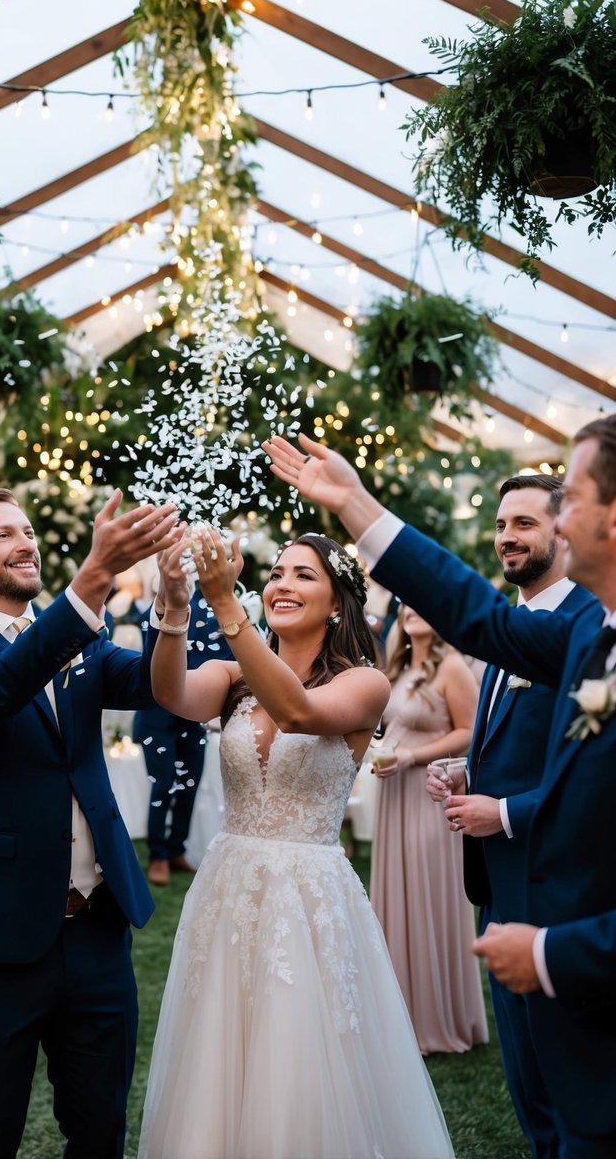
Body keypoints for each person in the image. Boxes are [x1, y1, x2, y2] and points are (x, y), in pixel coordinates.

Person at [264, 415, 616, 1158]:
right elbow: (477, 615)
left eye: (571, 498)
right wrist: (356, 506)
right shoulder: (594, 637)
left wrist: (556, 952)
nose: (560, 517)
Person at [138, 527, 454, 1159]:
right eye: (277, 572)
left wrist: (227, 607)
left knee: (299, 1051)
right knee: (220, 1050)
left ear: (337, 603)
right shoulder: (232, 676)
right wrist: (175, 607)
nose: (282, 583)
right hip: (229, 885)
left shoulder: (365, 684)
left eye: (304, 575)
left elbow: (300, 715)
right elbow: (170, 694)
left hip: (307, 897)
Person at [0, 487, 181, 1159]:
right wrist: (91, 581)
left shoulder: (77, 639)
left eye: (26, 531)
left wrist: (174, 605)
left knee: (100, 1129)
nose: (25, 542)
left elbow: (156, 686)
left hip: (96, 929)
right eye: (3, 535)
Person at [427, 473, 596, 1157]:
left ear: (563, 529)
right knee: (525, 1084)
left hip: (556, 887)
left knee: (567, 1089)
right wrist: (469, 774)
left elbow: (592, 776)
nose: (506, 538)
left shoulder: (584, 626)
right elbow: (514, 742)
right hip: (497, 889)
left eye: (523, 523)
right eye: (500, 526)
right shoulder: (510, 624)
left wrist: (502, 812)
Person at [371, 604, 486, 1053]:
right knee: (395, 896)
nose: (411, 610)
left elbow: (471, 732)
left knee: (424, 895)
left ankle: (437, 1019)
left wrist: (411, 758)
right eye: (405, 605)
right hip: (394, 794)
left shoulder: (453, 666)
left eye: (423, 602)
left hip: (431, 791)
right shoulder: (399, 666)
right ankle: (400, 1015)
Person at [134, 581, 233, 886]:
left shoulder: (224, 607)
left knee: (190, 786)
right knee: (163, 787)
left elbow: (230, 656)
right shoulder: (175, 595)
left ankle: (177, 848)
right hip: (158, 715)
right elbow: (148, 632)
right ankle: (158, 855)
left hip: (197, 715)